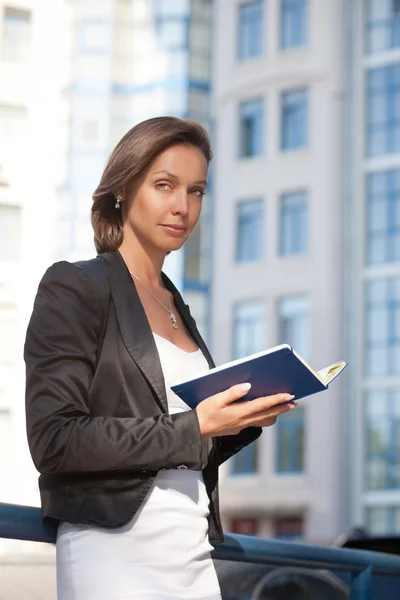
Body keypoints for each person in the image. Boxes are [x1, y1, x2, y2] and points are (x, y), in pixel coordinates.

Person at [24, 116, 296, 600]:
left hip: (190, 554)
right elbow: (55, 439)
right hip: (114, 555)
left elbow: (177, 447)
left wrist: (241, 419)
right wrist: (198, 425)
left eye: (196, 191)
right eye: (164, 185)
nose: (182, 207)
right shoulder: (76, 286)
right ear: (122, 190)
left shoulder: (176, 304)